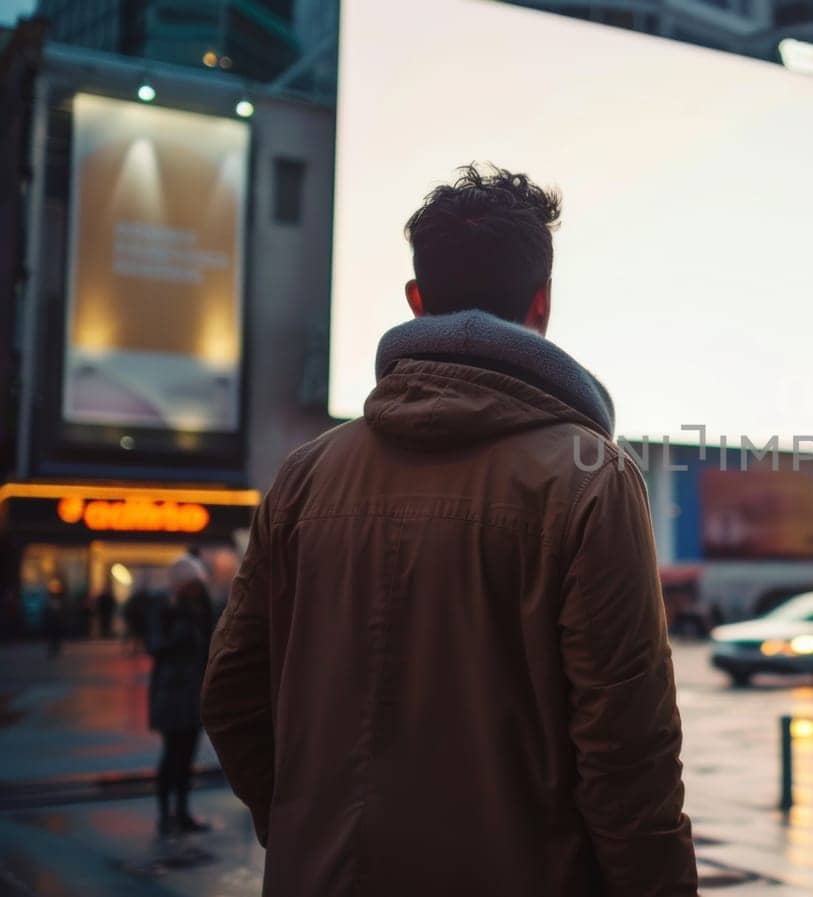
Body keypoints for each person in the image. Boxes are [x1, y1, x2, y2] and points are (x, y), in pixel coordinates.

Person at [202, 164, 696, 896]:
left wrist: (310, 827)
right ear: (542, 304)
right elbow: (629, 759)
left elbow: (232, 696)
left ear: (417, 301)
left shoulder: (305, 478)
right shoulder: (591, 479)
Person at [149, 578, 214, 835]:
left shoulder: (202, 616)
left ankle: (181, 811)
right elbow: (157, 647)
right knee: (172, 755)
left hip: (190, 695)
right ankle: (167, 814)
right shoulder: (168, 613)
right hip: (173, 694)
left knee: (185, 757)